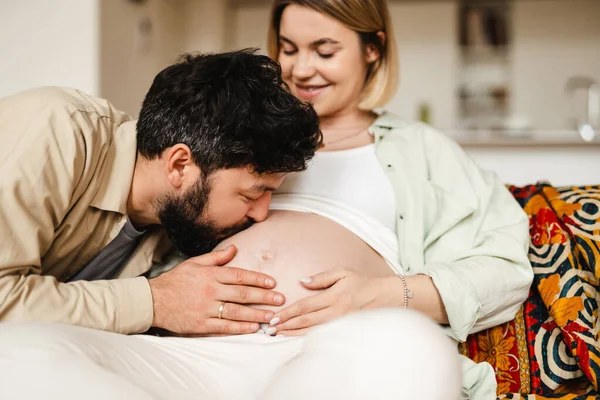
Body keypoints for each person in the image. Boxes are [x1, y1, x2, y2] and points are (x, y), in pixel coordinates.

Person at [0, 1, 532, 399]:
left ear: (373, 51)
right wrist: (160, 302)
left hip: (328, 350)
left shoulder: (422, 151)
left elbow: (504, 268)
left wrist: (381, 294)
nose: (302, 69)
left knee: (407, 354)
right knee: (21, 359)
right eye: (289, 47)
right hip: (184, 348)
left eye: (325, 50)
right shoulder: (214, 139)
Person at [0, 49, 322, 335]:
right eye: (251, 195)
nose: (261, 213)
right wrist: (155, 301)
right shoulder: (55, 132)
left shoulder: (180, 221)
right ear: (180, 165)